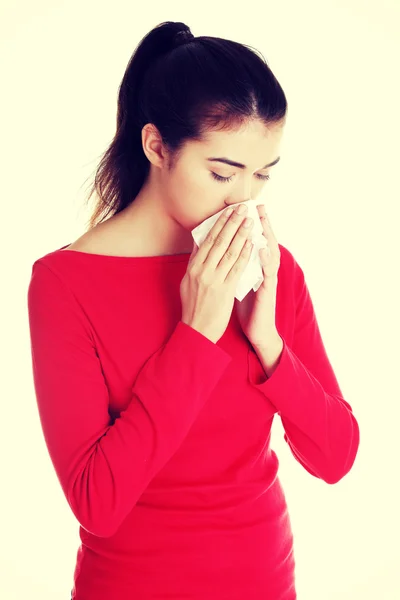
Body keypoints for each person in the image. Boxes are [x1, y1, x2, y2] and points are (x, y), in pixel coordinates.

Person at [27, 21, 360, 600]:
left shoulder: (271, 270)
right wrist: (197, 334)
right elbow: (96, 504)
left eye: (261, 175)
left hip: (265, 583)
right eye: (222, 173)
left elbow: (335, 456)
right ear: (157, 146)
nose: (244, 200)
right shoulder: (64, 283)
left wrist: (270, 346)